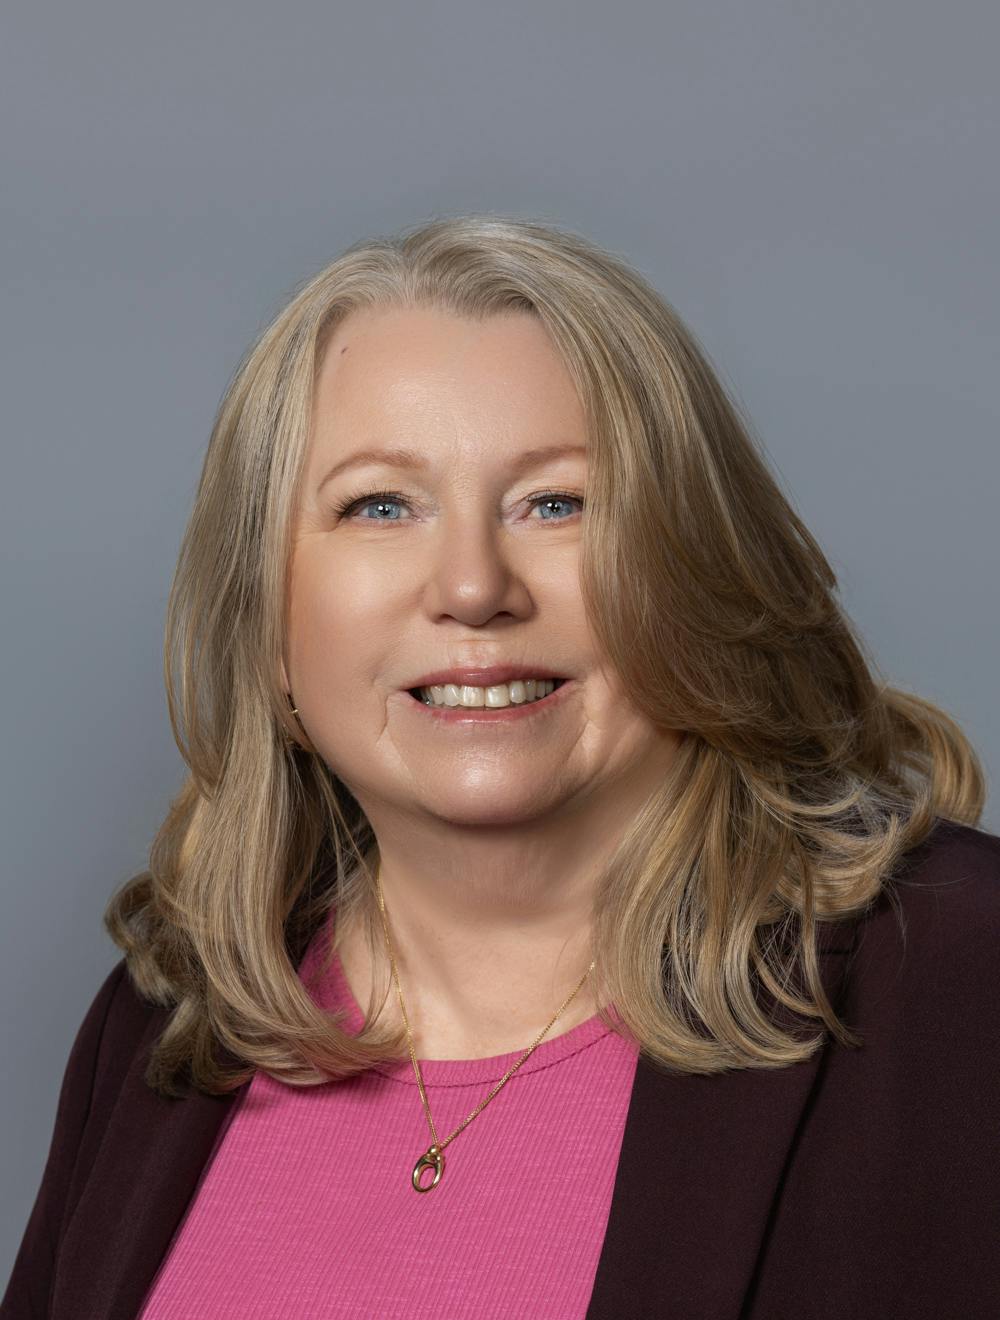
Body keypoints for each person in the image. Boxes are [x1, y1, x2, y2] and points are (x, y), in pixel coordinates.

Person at [3, 214, 998, 1320]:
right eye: (379, 505)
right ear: (272, 633)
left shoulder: (956, 979)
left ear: (694, 573)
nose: (473, 587)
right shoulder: (165, 1031)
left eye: (557, 504)